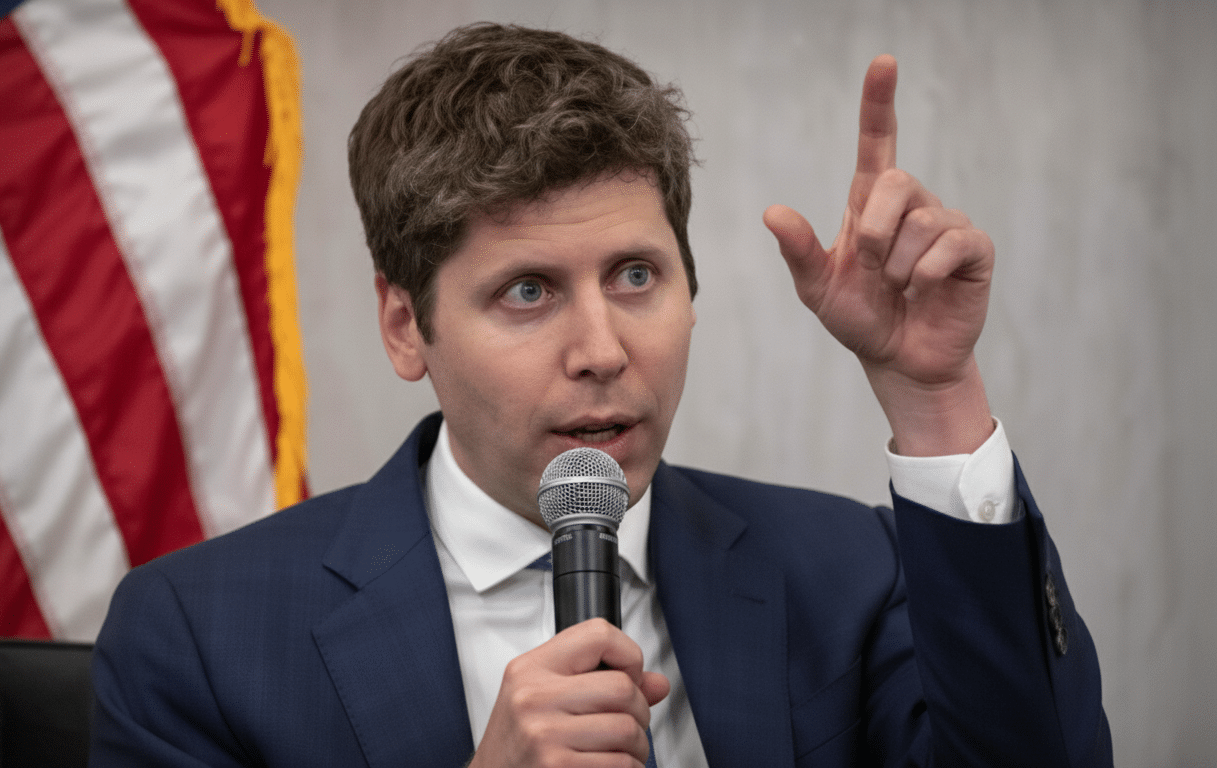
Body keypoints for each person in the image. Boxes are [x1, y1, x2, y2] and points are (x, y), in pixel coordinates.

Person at [90, 22, 1111, 767]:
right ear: (406, 326)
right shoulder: (196, 636)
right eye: (527, 292)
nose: (602, 350)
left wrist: (933, 394)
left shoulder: (847, 572)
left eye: (634, 276)